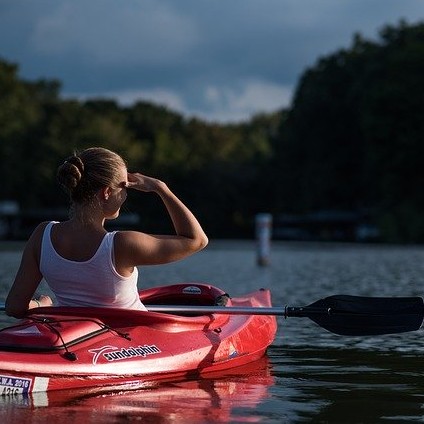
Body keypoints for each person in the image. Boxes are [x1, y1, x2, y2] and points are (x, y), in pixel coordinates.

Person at [5, 147, 208, 318]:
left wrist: (43, 306)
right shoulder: (122, 244)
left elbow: (15, 307)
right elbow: (197, 239)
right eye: (125, 186)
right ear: (107, 192)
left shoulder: (42, 235)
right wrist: (161, 188)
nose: (126, 194)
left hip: (77, 340)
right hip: (131, 344)